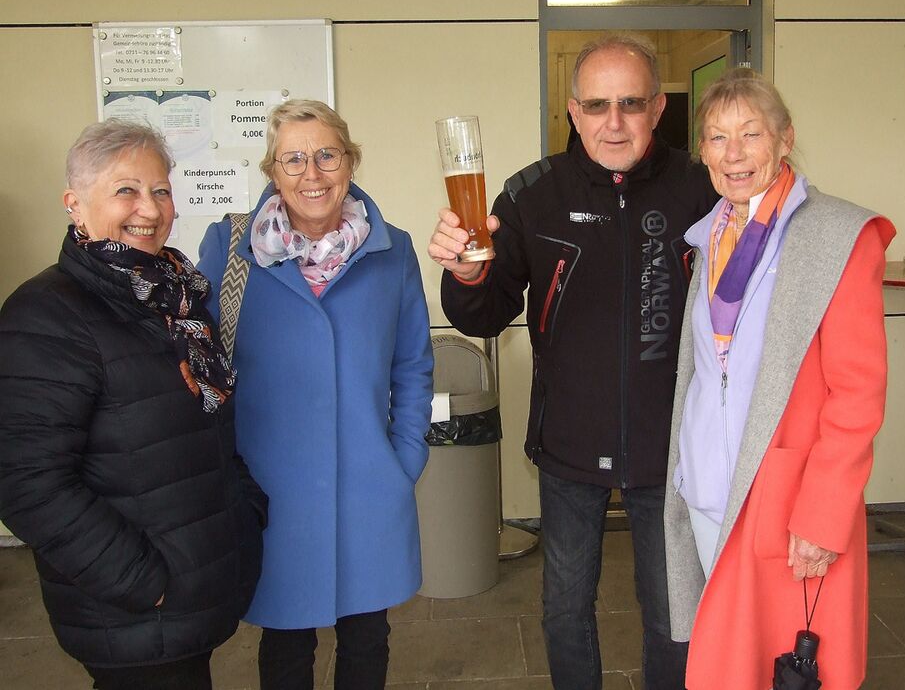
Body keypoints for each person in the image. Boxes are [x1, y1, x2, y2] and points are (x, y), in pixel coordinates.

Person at [428, 34, 717, 690]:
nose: (614, 122)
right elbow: (484, 313)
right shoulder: (532, 195)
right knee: (564, 609)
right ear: (573, 111)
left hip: (672, 448)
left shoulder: (701, 189)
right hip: (568, 443)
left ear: (658, 107)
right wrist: (466, 276)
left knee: (673, 613)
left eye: (631, 103)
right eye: (596, 105)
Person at [0, 120, 267, 690]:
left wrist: (243, 510)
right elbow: (26, 483)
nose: (149, 208)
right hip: (134, 612)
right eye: (126, 190)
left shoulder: (173, 296)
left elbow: (206, 427)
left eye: (161, 190)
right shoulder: (46, 315)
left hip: (190, 589)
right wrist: (144, 582)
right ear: (75, 204)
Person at [662, 68, 895, 690]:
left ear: (785, 138)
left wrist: (823, 514)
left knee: (781, 665)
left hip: (787, 501)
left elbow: (857, 393)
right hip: (708, 489)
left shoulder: (835, 237)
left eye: (750, 133)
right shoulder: (710, 235)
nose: (733, 153)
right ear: (702, 152)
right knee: (729, 657)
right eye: (717, 137)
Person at [198, 99, 433, 690]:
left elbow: (412, 364)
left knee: (367, 638)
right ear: (272, 172)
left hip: (368, 484)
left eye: (327, 155)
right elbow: (201, 367)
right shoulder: (230, 248)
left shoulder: (393, 251)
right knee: (285, 643)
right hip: (270, 489)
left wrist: (405, 458)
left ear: (350, 162)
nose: (312, 173)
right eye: (293, 159)